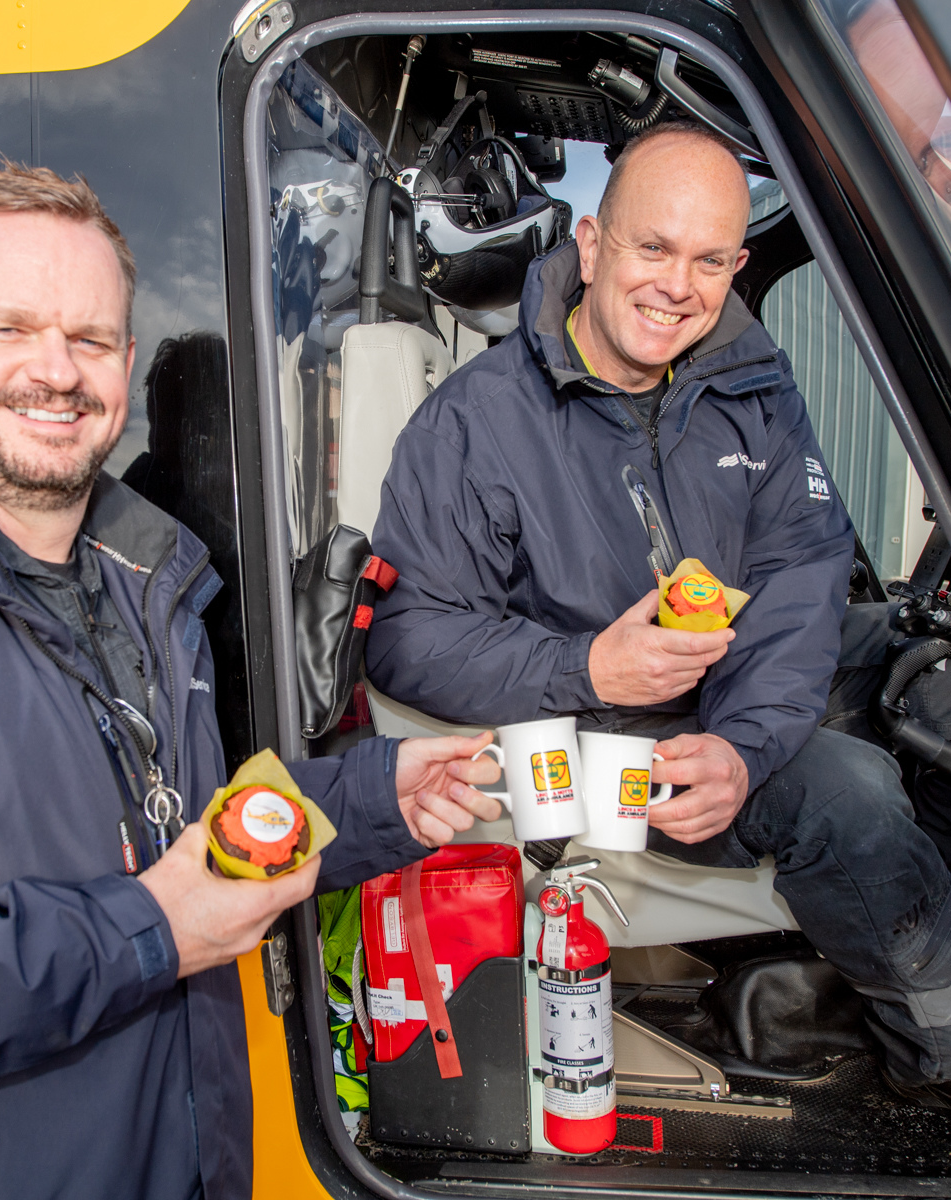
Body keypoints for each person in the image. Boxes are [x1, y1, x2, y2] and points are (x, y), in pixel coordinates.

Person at [0, 164, 503, 1199]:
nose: (56, 371)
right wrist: (142, 935)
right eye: (8, 329)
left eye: (90, 339)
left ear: (127, 365)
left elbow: (186, 840)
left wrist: (377, 797)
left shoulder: (149, 582)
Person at [366, 121, 951, 1105]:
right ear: (591, 246)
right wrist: (592, 668)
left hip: (718, 700)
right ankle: (936, 1056)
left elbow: (801, 566)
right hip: (588, 739)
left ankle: (906, 913)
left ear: (738, 264)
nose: (677, 286)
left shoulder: (752, 390)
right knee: (847, 795)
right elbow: (407, 640)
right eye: (652, 247)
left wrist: (744, 746)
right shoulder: (473, 426)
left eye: (708, 259)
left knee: (924, 678)